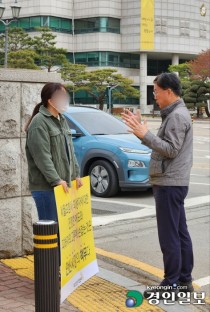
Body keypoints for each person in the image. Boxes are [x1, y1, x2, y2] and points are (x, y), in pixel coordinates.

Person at [122, 73, 194, 297]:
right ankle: (184, 280)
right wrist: (143, 134)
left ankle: (171, 283)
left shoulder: (177, 117)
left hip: (169, 183)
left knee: (169, 235)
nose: (154, 96)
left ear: (169, 92)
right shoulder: (176, 113)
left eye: (156, 92)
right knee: (179, 232)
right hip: (173, 182)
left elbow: (171, 149)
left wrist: (145, 134)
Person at [25, 82, 83, 222]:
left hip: (63, 185)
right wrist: (56, 180)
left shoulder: (61, 120)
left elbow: (70, 151)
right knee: (50, 231)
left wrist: (76, 175)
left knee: (62, 233)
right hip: (46, 188)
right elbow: (42, 157)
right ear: (50, 101)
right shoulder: (39, 122)